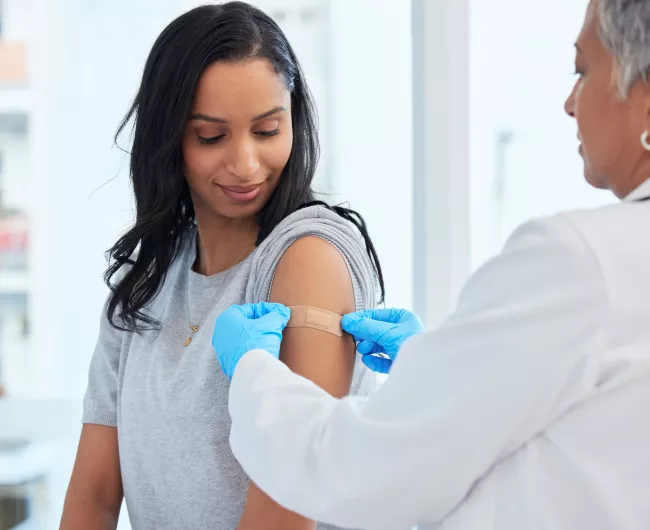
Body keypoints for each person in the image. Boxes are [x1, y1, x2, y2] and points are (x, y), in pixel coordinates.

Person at [212, 1, 650, 528]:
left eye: (582, 70)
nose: (569, 103)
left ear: (644, 98)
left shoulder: (584, 261)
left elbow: (362, 475)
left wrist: (255, 375)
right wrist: (437, 370)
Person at [59, 3, 384, 529]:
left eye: (267, 130)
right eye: (211, 136)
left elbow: (286, 506)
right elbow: (93, 496)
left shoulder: (308, 256)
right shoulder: (144, 284)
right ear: (168, 138)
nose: (246, 164)